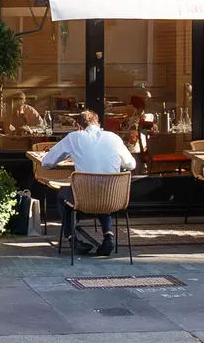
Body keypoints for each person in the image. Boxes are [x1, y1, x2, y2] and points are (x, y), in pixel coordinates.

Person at [41, 109, 136, 257]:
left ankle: (72, 239)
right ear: (98, 124)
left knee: (62, 195)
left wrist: (70, 155)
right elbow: (131, 165)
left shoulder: (74, 137)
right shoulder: (114, 138)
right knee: (101, 191)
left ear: (79, 127)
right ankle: (108, 236)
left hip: (85, 198)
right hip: (114, 198)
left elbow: (47, 162)